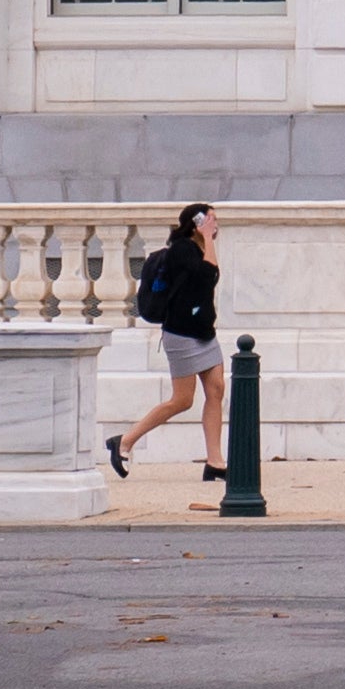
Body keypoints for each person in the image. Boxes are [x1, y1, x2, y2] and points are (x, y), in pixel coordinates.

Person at [114, 205, 227, 482]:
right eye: (211, 219)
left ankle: (215, 461)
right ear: (196, 223)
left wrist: (208, 240)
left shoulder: (199, 248)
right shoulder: (183, 249)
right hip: (182, 334)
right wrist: (208, 238)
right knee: (182, 400)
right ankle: (124, 442)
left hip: (203, 332)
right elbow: (208, 276)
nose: (216, 224)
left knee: (216, 390)